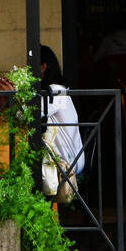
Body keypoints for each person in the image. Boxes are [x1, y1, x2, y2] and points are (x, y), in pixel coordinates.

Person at [41, 45, 84, 183]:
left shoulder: (57, 92)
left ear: (43, 67)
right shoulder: (54, 90)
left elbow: (28, 116)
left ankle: (41, 203)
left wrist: (13, 96)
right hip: (66, 157)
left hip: (69, 163)